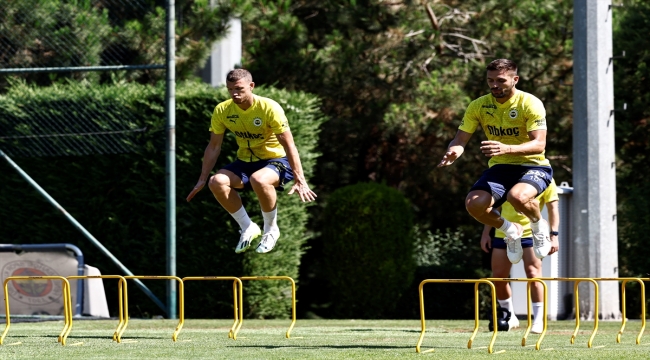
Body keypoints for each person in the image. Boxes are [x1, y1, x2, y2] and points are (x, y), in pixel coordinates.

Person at [186, 68, 316, 254]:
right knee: (216, 182)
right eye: (230, 90)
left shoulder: (269, 108)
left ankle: (271, 230)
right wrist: (202, 178)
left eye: (239, 89)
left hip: (276, 160)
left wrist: (300, 179)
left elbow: (289, 145)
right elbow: (214, 147)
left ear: (251, 86)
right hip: (245, 161)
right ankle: (248, 227)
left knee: (259, 179)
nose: (235, 94)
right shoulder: (222, 110)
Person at [438, 58, 554, 263]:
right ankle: (511, 230)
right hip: (501, 167)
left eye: (500, 80)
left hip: (533, 165)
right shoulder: (479, 106)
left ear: (515, 79)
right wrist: (454, 151)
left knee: (517, 197)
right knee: (474, 205)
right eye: (490, 80)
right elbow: (460, 139)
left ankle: (537, 224)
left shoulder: (530, 103)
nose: (494, 85)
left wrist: (507, 148)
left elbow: (539, 144)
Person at [481, 179, 560, 334]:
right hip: (504, 233)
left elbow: (553, 209)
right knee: (498, 277)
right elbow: (493, 207)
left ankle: (538, 320)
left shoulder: (545, 178)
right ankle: (509, 316)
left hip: (532, 234)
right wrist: (486, 233)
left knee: (533, 275)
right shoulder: (506, 176)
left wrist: (554, 235)